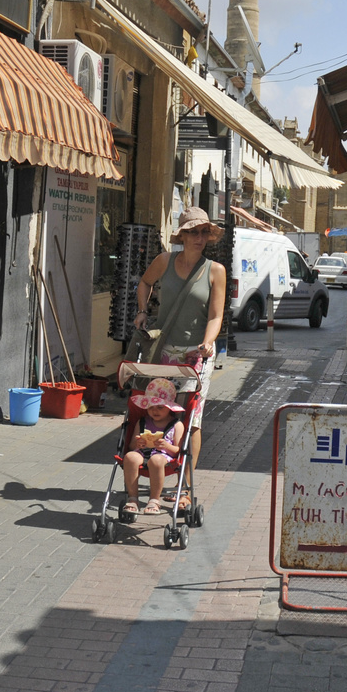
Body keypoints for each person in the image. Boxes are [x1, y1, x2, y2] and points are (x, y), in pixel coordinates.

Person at [135, 207, 227, 504]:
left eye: (203, 232)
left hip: (196, 357)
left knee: (192, 419)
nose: (199, 238)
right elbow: (144, 283)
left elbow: (216, 315)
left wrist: (208, 342)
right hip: (162, 352)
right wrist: (141, 311)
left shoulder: (215, 270)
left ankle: (185, 488)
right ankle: (154, 468)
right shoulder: (164, 261)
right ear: (182, 235)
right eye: (193, 232)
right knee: (156, 411)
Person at [123, 379, 185, 515]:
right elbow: (131, 445)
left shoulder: (176, 425)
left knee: (156, 460)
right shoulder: (143, 421)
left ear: (169, 407)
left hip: (164, 457)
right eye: (151, 407)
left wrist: (166, 445)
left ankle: (154, 500)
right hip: (142, 453)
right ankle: (133, 498)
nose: (154, 411)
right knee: (129, 457)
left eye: (160, 407)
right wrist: (138, 443)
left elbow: (178, 451)